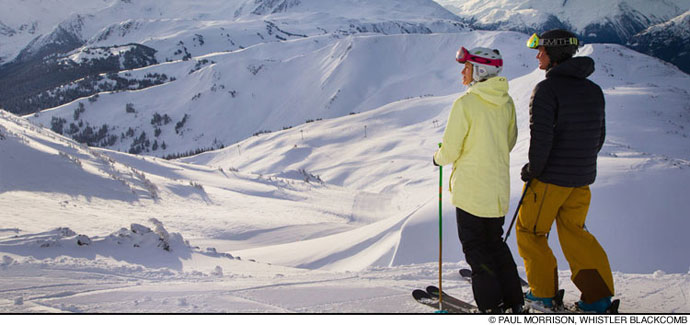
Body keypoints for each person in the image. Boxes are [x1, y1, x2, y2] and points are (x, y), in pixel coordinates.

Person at [517, 29, 615, 313]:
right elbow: (599, 137)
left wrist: (533, 169)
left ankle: (542, 296)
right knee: (576, 234)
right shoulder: (593, 90)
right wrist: (578, 163)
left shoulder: (547, 89)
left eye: (542, 50)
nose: (538, 55)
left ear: (555, 54)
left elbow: (542, 138)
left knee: (531, 232)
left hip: (549, 179)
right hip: (581, 179)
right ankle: (597, 298)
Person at [433, 46, 523, 313]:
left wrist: (437, 158)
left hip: (471, 191)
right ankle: (514, 301)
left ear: (480, 71)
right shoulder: (506, 102)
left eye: (467, 66)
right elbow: (509, 141)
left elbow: (450, 150)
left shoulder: (466, 104)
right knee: (495, 244)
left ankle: (491, 307)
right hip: (496, 191)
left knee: (476, 250)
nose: (463, 71)